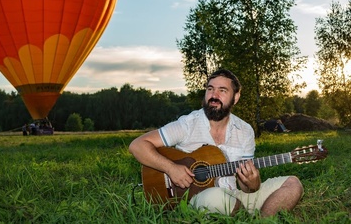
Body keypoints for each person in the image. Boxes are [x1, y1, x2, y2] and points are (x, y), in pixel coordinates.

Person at [129, 69, 303, 217]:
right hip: (198, 197)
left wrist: (252, 183)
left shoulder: (245, 130)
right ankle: (243, 214)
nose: (214, 95)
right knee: (215, 197)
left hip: (234, 195)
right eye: (210, 89)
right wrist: (171, 168)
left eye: (222, 90)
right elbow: (137, 145)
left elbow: (247, 188)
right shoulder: (187, 124)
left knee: (293, 184)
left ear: (235, 97)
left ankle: (262, 220)